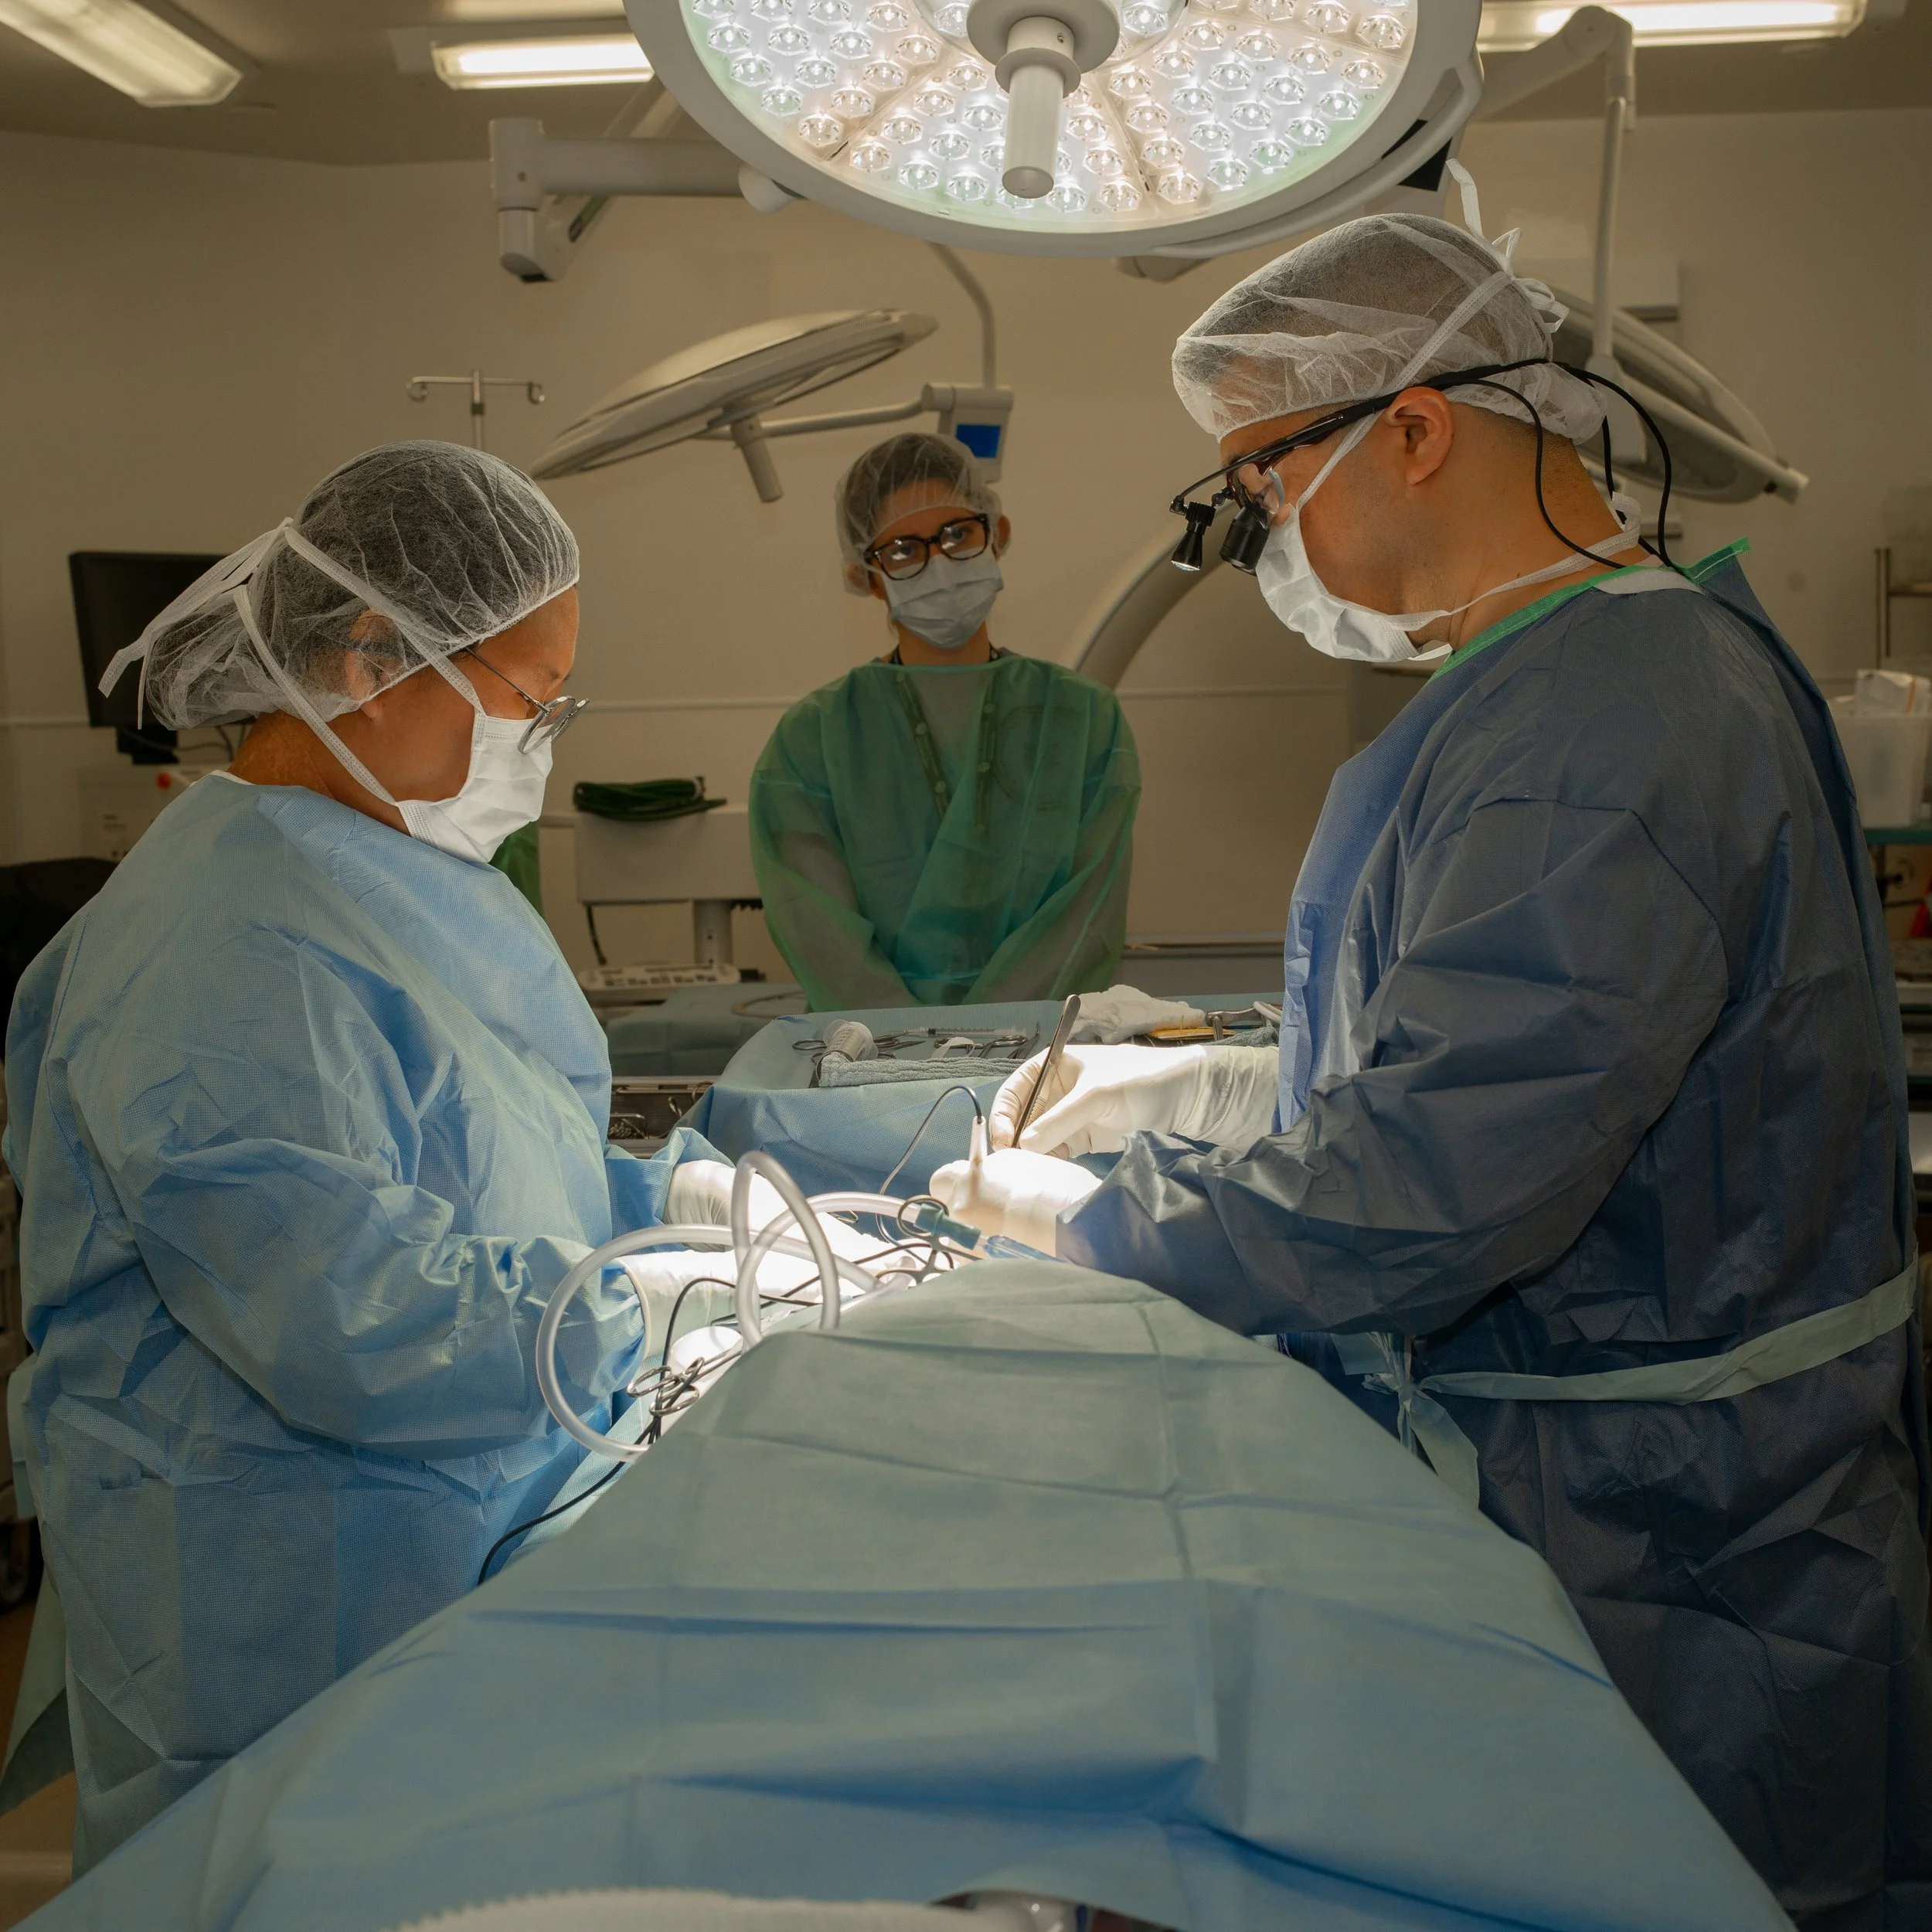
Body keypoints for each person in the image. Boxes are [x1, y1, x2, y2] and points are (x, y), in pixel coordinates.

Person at [935, 210, 1932, 1925]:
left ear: (1408, 426)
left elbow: (1438, 1177)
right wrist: (1191, 1091)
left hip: (1666, 1560)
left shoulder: (1610, 718)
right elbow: (1464, 1046)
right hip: (1627, 1513)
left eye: (1258, 476)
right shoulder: (1567, 680)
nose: (1254, 528)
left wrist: (1100, 1215)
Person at [3, 441, 722, 1868]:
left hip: (449, 1515)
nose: (545, 734)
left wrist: (664, 1211)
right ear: (371, 661)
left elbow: (507, 1150)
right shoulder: (225, 935)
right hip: (278, 1588)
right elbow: (349, 1315)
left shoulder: (383, 868)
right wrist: (631, 1305)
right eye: (531, 697)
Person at [749, 433, 1141, 1011]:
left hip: (1034, 1053)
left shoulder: (1084, 720)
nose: (938, 561)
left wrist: (993, 1043)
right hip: (877, 1063)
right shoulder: (814, 740)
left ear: (997, 536)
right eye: (903, 549)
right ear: (867, 576)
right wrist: (910, 1052)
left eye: (958, 535)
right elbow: (819, 933)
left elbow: (1085, 917)